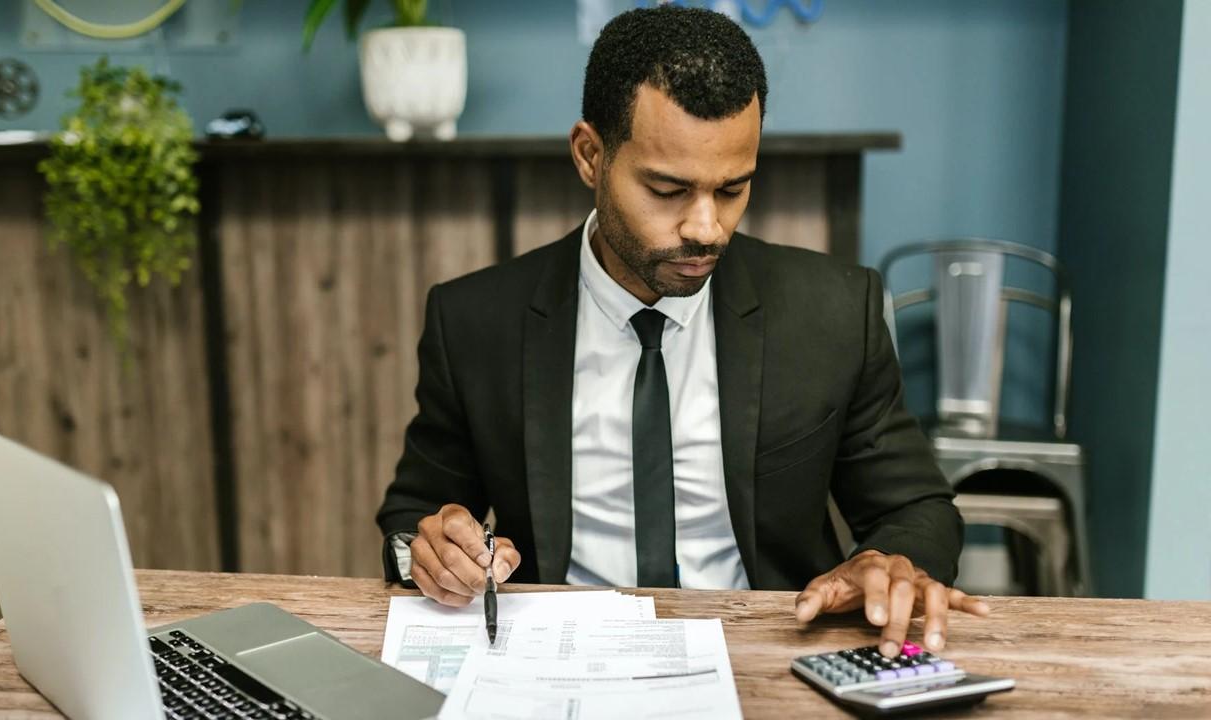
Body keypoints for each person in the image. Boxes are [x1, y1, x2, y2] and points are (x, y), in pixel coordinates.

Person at [377, 5, 987, 659]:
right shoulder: (475, 321)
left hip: (770, 655)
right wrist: (430, 551)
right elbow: (414, 516)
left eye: (732, 189)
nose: (706, 227)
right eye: (667, 189)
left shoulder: (835, 313)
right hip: (555, 659)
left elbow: (920, 510)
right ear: (590, 155)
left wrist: (888, 560)